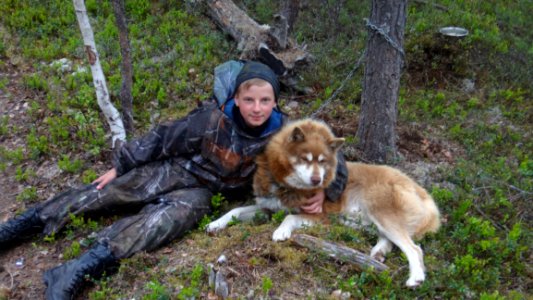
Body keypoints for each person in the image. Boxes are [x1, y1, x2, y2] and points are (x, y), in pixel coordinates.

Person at [0, 61, 347, 300]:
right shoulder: (211, 118)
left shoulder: (287, 135)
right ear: (236, 99)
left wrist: (326, 190)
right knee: (109, 192)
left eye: (265, 100)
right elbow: (164, 137)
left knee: (163, 222)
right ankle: (20, 227)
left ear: (275, 101)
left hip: (204, 193)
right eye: (249, 100)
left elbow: (336, 161)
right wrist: (122, 165)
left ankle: (78, 269)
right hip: (180, 168)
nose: (257, 108)